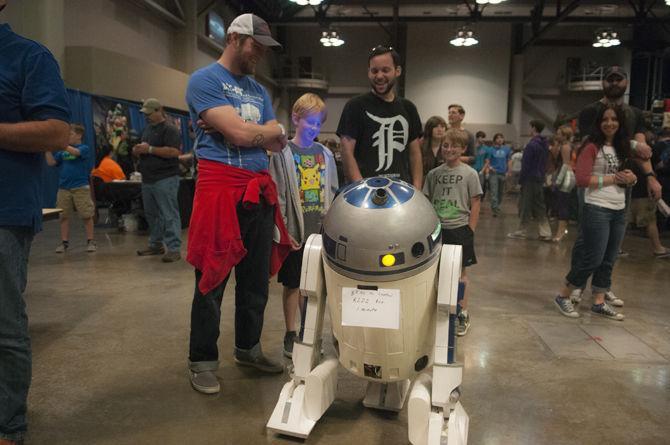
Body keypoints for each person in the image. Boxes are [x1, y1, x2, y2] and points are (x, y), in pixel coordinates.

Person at [185, 13, 290, 395]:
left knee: (255, 281)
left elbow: (276, 138)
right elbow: (243, 133)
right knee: (211, 277)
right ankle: (202, 359)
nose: (259, 53)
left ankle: (248, 348)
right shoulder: (205, 80)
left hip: (258, 190)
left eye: (264, 47)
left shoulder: (259, 91)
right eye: (254, 45)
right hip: (219, 188)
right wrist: (255, 132)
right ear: (232, 38)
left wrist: (261, 133)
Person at [0, 5, 71, 443]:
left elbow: (57, 132)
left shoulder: (28, 56)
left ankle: (9, 427)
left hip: (4, 213)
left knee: (4, 327)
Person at [269, 93, 339, 357]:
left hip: (319, 233)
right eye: (309, 122)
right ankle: (290, 331)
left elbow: (332, 190)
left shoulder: (326, 154)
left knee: (316, 286)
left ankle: (309, 331)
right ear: (296, 119)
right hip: (295, 234)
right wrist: (284, 231)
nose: (314, 128)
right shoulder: (282, 153)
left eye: (318, 124)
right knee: (293, 284)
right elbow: (278, 194)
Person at [553, 105, 637, 321]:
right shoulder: (591, 146)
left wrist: (631, 178)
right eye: (605, 119)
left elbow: (626, 174)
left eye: (614, 119)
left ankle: (598, 301)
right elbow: (582, 180)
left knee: (609, 259)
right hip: (597, 207)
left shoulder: (621, 146)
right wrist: (614, 178)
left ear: (620, 123)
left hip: (619, 207)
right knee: (593, 258)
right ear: (599, 123)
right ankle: (563, 295)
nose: (610, 123)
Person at [336, 45, 423, 189]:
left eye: (385, 70)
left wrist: (417, 189)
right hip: (366, 193)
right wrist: (362, 189)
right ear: (368, 72)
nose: (379, 76)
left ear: (397, 71)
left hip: (401, 194)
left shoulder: (408, 108)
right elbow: (346, 151)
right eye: (374, 71)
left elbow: (415, 154)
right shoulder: (355, 106)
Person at [423, 128, 482, 336]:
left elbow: (476, 202)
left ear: (463, 148)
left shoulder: (470, 173)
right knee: (436, 271)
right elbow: (427, 202)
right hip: (438, 230)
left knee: (460, 273)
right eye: (445, 146)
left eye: (455, 146)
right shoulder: (433, 174)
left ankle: (461, 312)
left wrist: (470, 229)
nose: (449, 150)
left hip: (459, 228)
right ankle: (440, 309)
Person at [578, 66, 661, 202]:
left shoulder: (635, 113)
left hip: (624, 184)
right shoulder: (590, 111)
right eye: (610, 79)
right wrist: (633, 144)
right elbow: (589, 145)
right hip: (595, 187)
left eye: (619, 79)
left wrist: (650, 177)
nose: (614, 83)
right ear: (603, 83)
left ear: (626, 82)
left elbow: (643, 150)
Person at [133, 98, 183, 263]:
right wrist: (139, 150)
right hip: (148, 178)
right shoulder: (147, 129)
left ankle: (174, 248)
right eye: (145, 114)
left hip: (166, 178)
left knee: (169, 214)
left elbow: (174, 152)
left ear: (159, 110)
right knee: (152, 214)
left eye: (149, 113)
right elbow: (146, 148)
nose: (147, 116)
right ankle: (155, 244)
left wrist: (150, 149)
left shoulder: (170, 130)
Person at [45, 124, 97, 253]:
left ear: (79, 135)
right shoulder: (62, 152)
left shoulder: (83, 148)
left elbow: (76, 152)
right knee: (63, 216)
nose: (67, 137)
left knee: (86, 214)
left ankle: (91, 241)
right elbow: (51, 163)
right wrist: (46, 149)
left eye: (70, 134)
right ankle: (64, 242)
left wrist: (61, 144)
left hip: (80, 186)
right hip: (64, 187)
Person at [507, 120, 552, 240]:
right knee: (539, 205)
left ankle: (522, 230)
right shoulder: (544, 144)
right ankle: (545, 232)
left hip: (529, 178)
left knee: (525, 204)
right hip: (539, 178)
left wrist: (521, 180)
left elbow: (526, 165)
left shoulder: (531, 145)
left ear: (533, 128)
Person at [549, 126, 576, 242]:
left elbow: (565, 164)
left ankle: (560, 233)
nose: (557, 135)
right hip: (566, 175)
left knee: (562, 206)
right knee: (561, 205)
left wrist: (557, 182)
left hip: (566, 177)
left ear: (565, 136)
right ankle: (560, 232)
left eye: (559, 134)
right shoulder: (565, 146)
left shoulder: (565, 147)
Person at [488, 133, 512, 217]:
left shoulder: (507, 149)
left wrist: (509, 170)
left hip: (503, 173)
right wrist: (490, 167)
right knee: (494, 192)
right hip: (493, 174)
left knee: (500, 193)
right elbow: (487, 161)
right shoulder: (490, 150)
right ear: (494, 140)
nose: (500, 139)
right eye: (497, 138)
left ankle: (497, 206)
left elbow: (508, 160)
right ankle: (495, 209)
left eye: (501, 138)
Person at [472, 131, 491, 199]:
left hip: (480, 171)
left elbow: (487, 161)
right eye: (480, 138)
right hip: (471, 170)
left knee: (480, 188)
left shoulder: (486, 149)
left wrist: (483, 171)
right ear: (477, 138)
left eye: (483, 138)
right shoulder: (472, 148)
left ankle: (478, 202)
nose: (482, 139)